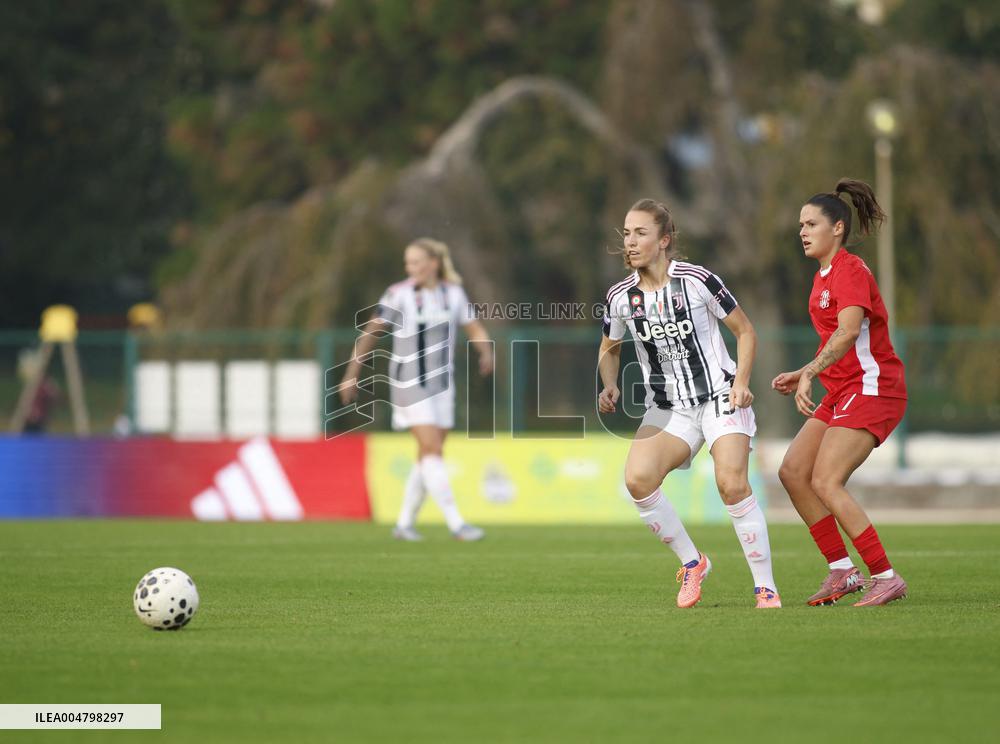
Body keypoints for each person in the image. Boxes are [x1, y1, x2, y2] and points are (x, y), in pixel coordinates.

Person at [597, 199, 779, 609]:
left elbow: (746, 332)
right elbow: (609, 347)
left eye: (640, 232)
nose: (630, 241)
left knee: (731, 484)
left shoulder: (698, 281)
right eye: (626, 233)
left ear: (664, 240)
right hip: (668, 408)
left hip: (719, 395)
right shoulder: (620, 297)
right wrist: (610, 385)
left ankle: (765, 587)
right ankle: (693, 563)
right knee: (638, 481)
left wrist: (743, 383)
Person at [771, 178, 907, 607]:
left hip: (873, 388)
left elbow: (849, 333)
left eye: (811, 223)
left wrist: (812, 370)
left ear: (838, 229)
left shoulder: (849, 271)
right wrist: (804, 371)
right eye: (800, 225)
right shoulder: (822, 279)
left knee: (826, 480)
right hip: (844, 389)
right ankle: (841, 572)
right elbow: (837, 339)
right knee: (793, 472)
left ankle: (885, 576)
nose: (803, 231)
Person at [340, 238, 493, 541]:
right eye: (408, 263)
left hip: (442, 384)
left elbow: (472, 325)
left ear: (433, 263)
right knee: (433, 449)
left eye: (416, 262)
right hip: (408, 383)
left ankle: (404, 524)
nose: (411, 268)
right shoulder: (398, 294)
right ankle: (457, 524)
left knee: (427, 454)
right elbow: (371, 333)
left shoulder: (453, 293)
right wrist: (351, 373)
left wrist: (486, 350)